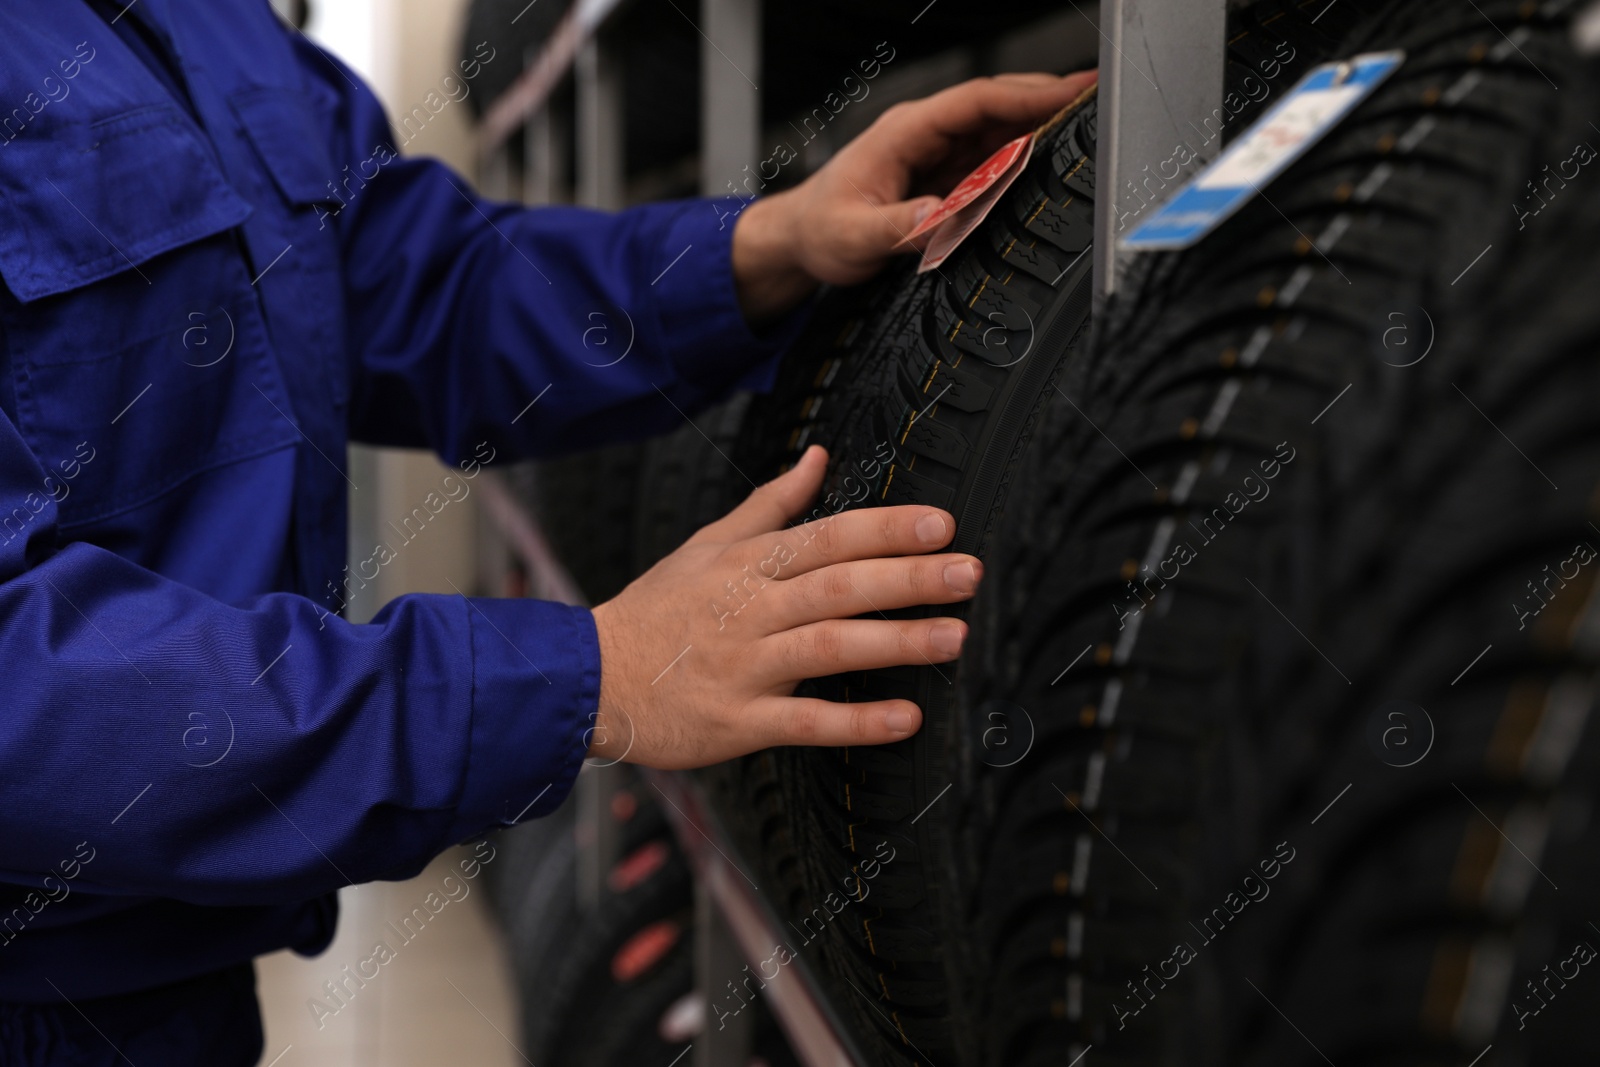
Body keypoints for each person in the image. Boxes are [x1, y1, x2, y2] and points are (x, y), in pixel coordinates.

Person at [0, 0, 1096, 1062]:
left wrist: (766, 243)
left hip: (169, 969)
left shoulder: (212, 27)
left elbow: (432, 290)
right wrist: (587, 673)